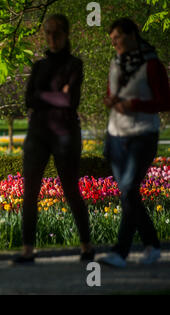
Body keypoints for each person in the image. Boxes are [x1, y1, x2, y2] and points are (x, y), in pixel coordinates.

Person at [12, 14, 94, 264]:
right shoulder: (39, 66)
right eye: (48, 32)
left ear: (67, 34)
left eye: (57, 32)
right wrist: (56, 95)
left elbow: (70, 101)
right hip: (38, 134)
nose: (52, 37)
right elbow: (28, 100)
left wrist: (43, 96)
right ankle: (28, 249)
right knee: (30, 193)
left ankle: (86, 246)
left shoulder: (74, 64)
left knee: (71, 189)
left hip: (65, 133)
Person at [98, 18, 170, 268]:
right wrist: (111, 100)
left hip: (142, 134)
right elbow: (112, 93)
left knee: (128, 189)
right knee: (128, 193)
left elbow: (164, 102)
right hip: (116, 134)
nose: (115, 43)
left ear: (132, 35)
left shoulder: (152, 65)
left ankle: (120, 252)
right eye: (112, 40)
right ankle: (152, 244)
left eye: (118, 38)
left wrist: (134, 105)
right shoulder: (115, 63)